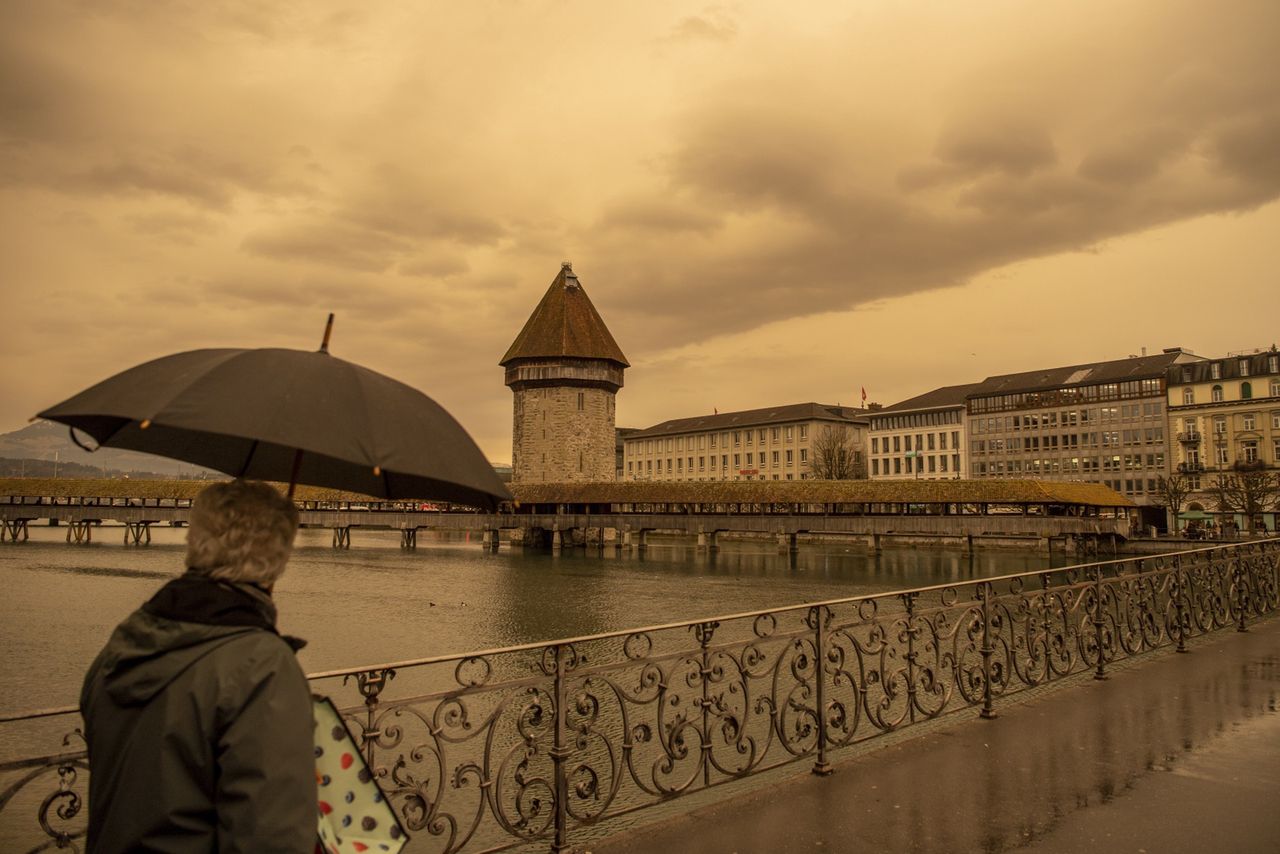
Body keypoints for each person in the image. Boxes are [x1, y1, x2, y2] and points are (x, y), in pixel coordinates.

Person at [80, 479, 317, 853]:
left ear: (195, 540)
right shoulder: (262, 667)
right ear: (280, 557)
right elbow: (271, 836)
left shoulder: (124, 642)